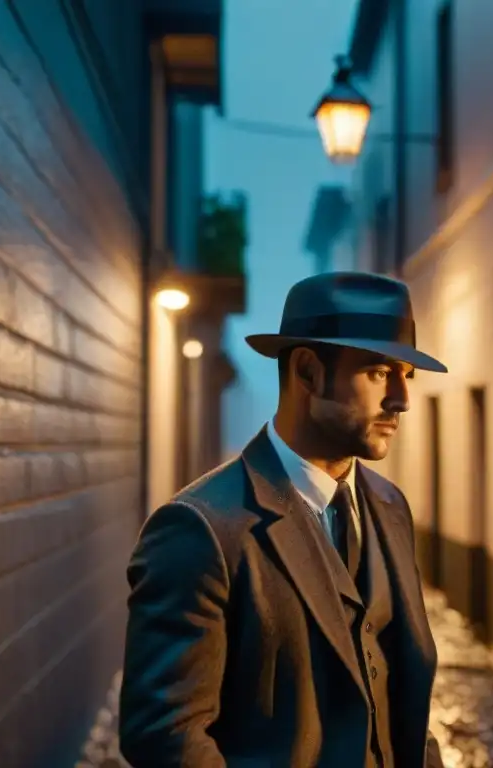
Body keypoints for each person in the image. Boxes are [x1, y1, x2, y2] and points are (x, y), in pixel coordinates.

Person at [119, 271, 448, 767]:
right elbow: (166, 737)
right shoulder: (201, 527)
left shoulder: (389, 506)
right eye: (379, 372)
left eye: (407, 375)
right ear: (309, 372)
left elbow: (403, 698)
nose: (401, 399)